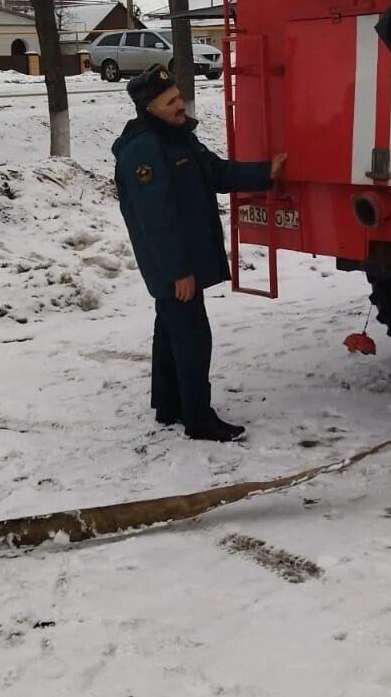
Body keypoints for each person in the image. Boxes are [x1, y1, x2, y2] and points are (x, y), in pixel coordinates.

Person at [112, 66, 286, 442]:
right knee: (192, 337)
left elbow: (217, 172)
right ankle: (198, 417)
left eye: (179, 97)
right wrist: (178, 272)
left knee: (170, 328)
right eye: (171, 101)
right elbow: (155, 220)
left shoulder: (178, 138)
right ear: (150, 108)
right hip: (173, 265)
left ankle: (169, 404)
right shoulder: (144, 149)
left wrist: (265, 172)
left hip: (183, 260)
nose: (180, 105)